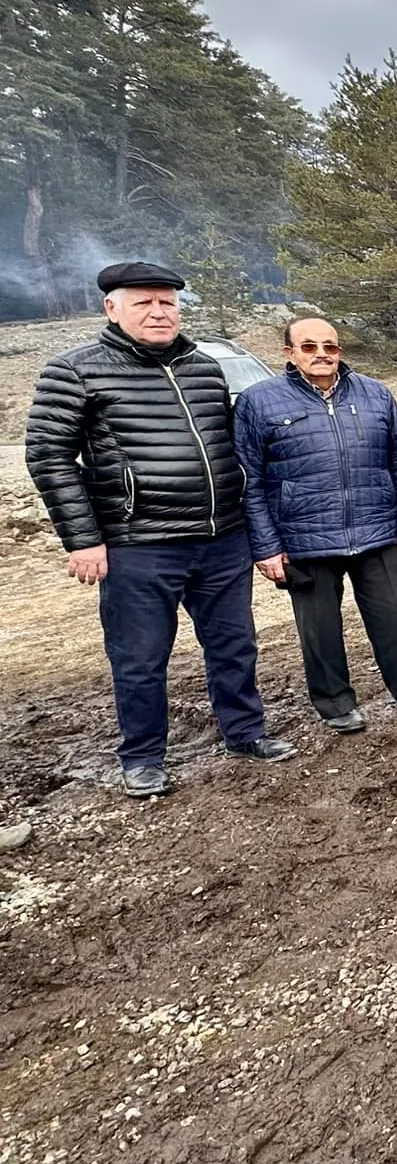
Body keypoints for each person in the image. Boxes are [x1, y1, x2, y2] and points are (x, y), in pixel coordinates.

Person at [26, 263, 297, 797]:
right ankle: (143, 756)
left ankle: (244, 733)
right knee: (141, 656)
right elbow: (49, 456)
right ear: (112, 308)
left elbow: (229, 445)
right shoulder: (75, 370)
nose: (158, 312)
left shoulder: (203, 368)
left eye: (167, 302)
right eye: (144, 302)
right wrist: (82, 538)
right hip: (138, 545)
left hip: (221, 538)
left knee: (234, 644)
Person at [235, 316, 397, 734]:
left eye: (329, 346)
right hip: (304, 537)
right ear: (289, 354)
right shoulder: (259, 402)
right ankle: (335, 702)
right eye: (309, 347)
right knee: (320, 629)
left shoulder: (373, 394)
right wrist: (265, 546)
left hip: (376, 529)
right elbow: (247, 479)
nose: (321, 355)